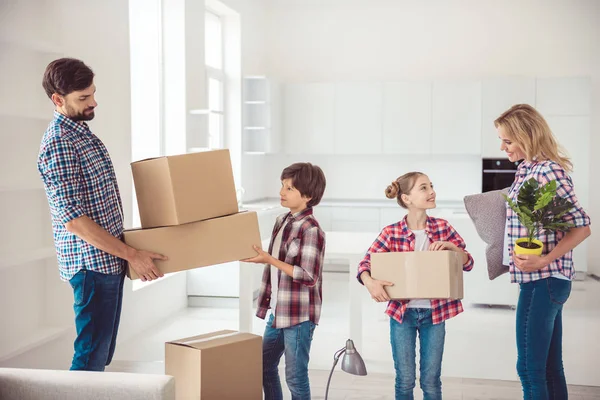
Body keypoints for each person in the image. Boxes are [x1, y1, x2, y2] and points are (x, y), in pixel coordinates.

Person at [38, 58, 166, 371]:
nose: (94, 102)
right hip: (91, 265)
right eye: (83, 98)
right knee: (90, 356)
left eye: (93, 93)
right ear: (58, 100)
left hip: (107, 261)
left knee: (101, 354)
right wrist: (132, 254)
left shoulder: (81, 133)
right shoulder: (59, 143)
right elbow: (75, 221)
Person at [495, 104, 591, 399]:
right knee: (549, 368)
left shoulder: (549, 170)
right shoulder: (527, 168)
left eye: (508, 141)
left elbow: (582, 227)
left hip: (544, 279)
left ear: (527, 136)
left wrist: (544, 259)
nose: (503, 148)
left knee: (529, 369)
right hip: (542, 281)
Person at [357, 172, 474, 400]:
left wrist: (453, 249)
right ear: (407, 198)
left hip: (435, 315)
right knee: (405, 381)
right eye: (423, 188)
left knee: (431, 381)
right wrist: (370, 282)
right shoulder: (391, 232)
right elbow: (365, 264)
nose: (431, 191)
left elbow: (468, 263)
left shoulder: (443, 228)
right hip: (403, 316)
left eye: (431, 186)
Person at [244, 162, 326, 400]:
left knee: (295, 376)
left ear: (308, 196)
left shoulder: (312, 230)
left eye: (289, 188)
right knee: (263, 365)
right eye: (282, 185)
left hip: (299, 316)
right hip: (279, 311)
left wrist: (270, 259)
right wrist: (266, 260)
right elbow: (277, 262)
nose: (282, 192)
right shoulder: (282, 220)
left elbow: (309, 276)